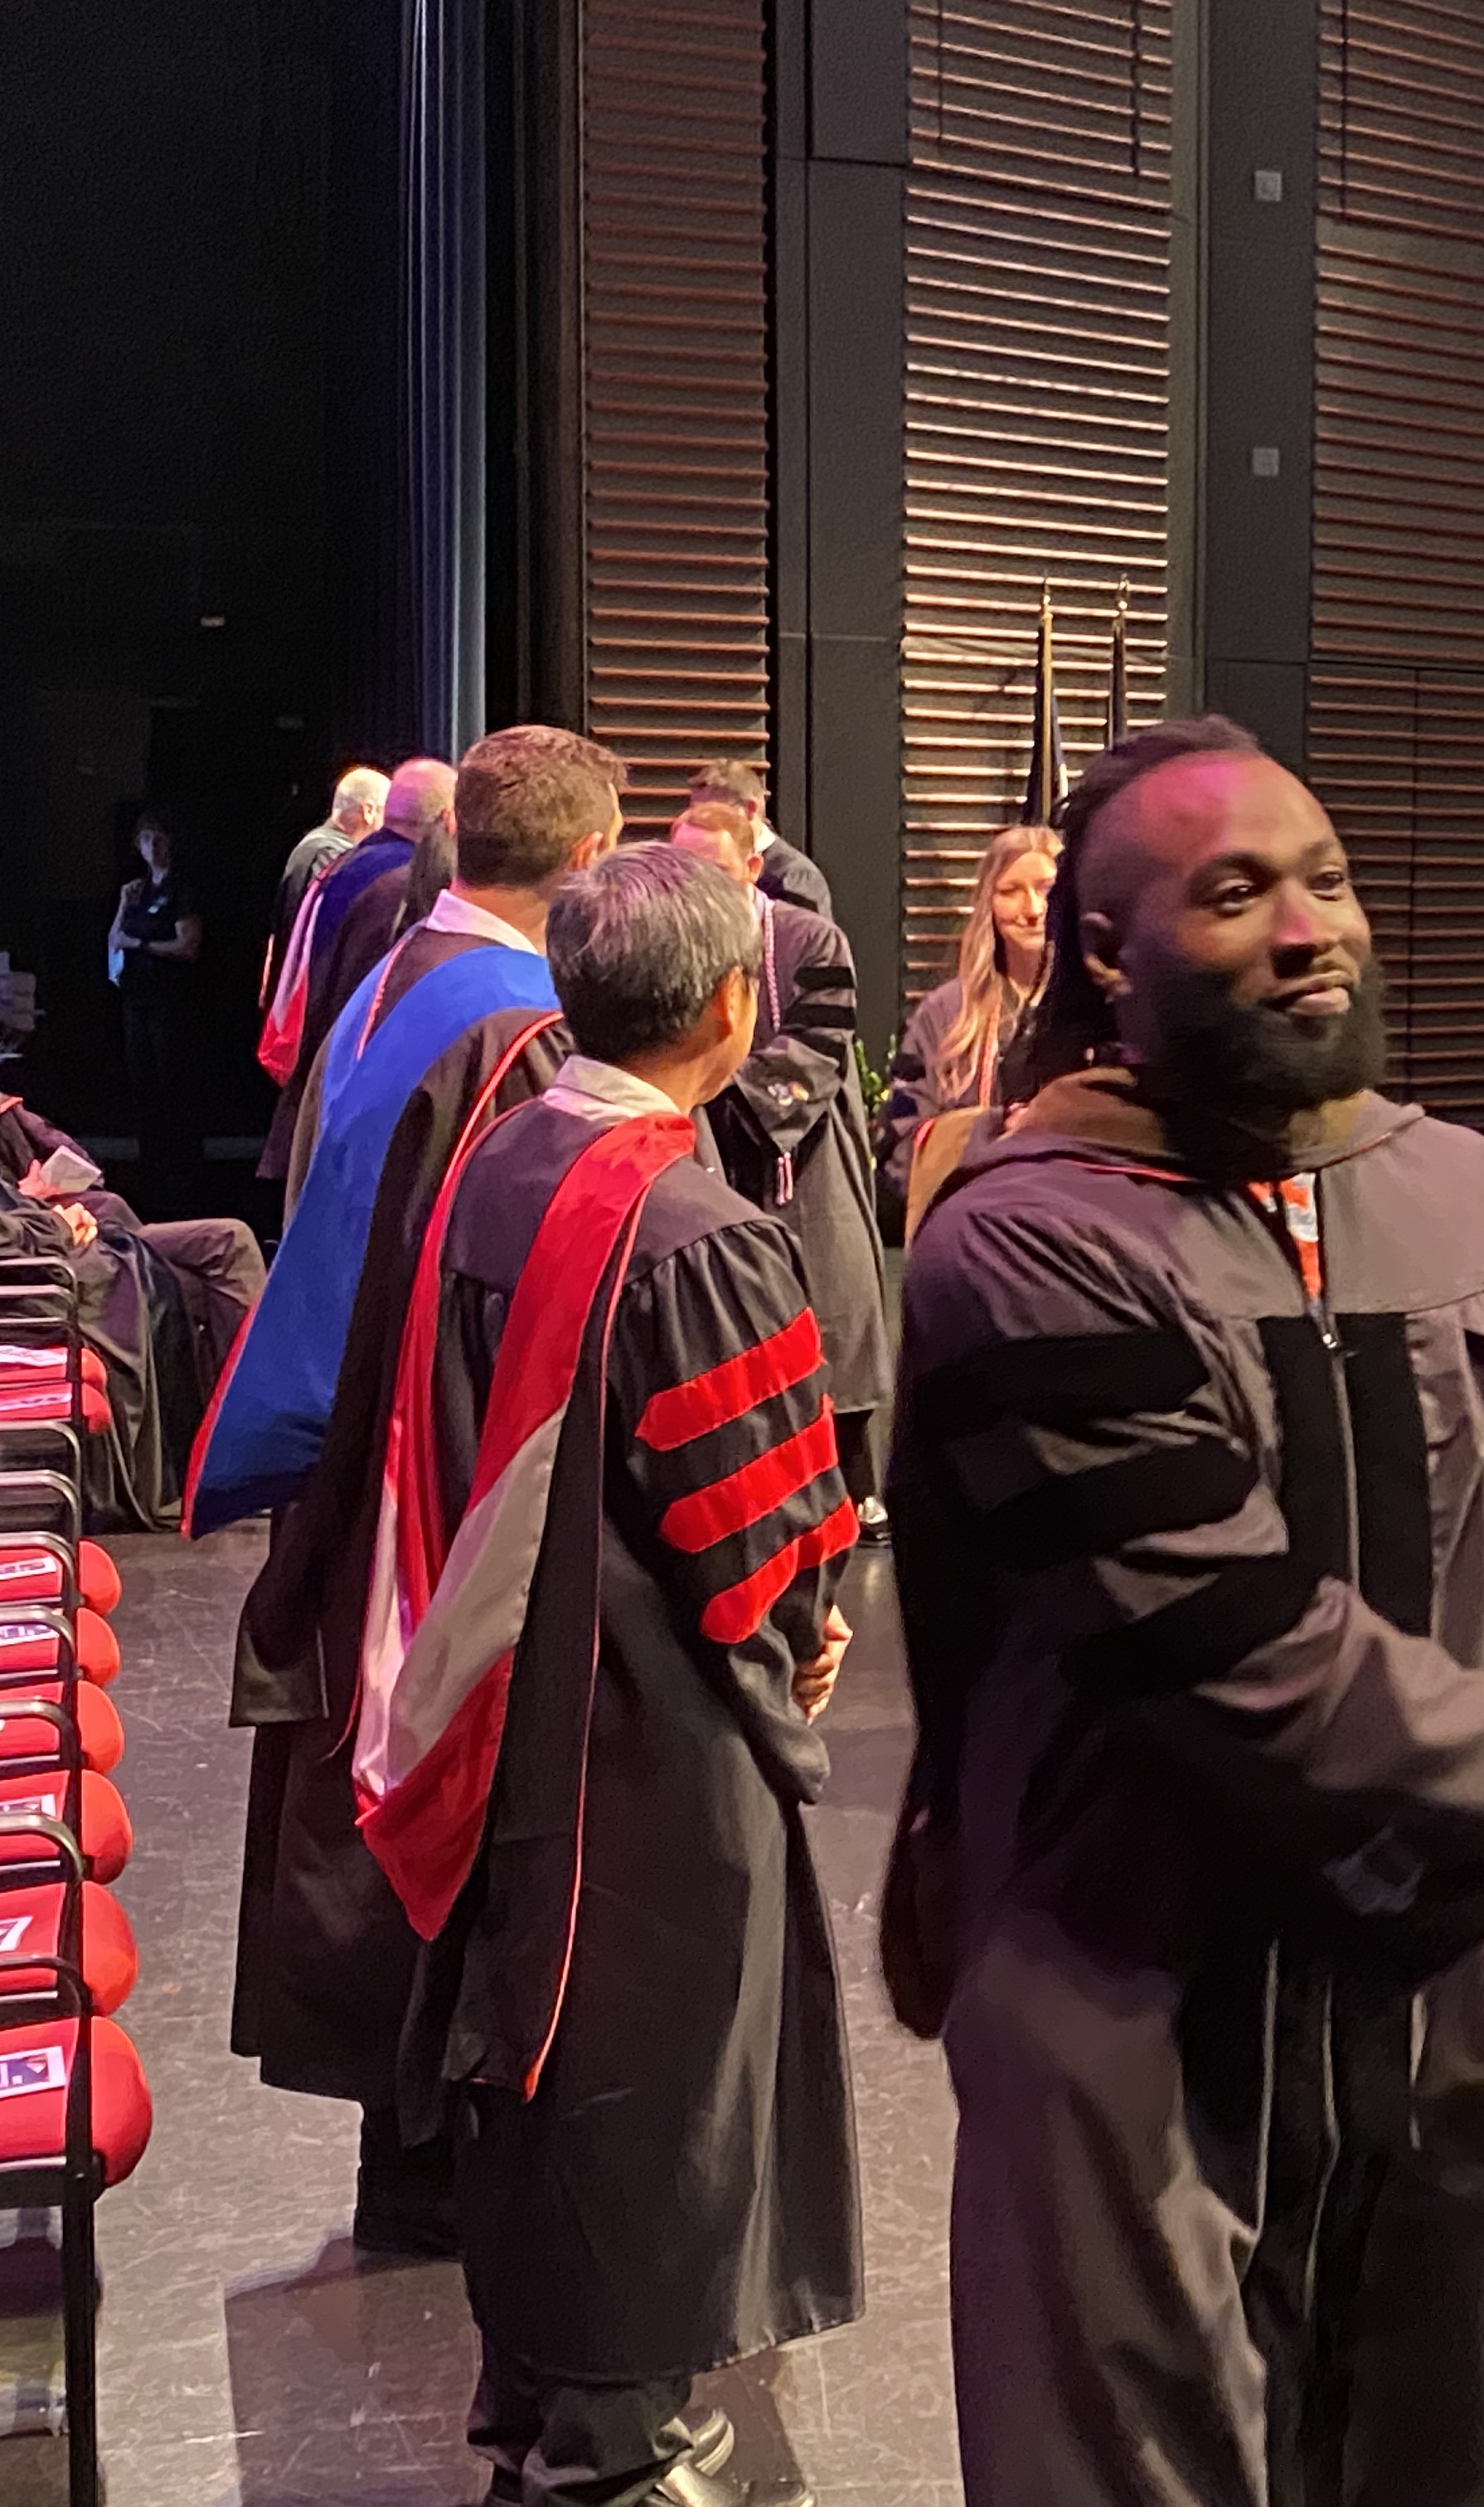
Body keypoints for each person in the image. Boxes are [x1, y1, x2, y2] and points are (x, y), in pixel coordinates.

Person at [885, 715, 1484, 2506]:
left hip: (1445, 2003)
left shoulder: (1464, 1198)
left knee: (1459, 2463)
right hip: (1134, 2012)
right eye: (1236, 893)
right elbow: (1233, 1653)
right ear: (1104, 952)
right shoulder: (1025, 1240)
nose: (1307, 926)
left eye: (1326, 881)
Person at [366, 841, 856, 2507]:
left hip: (504, 1687)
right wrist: (808, 1619)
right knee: (645, 2067)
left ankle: (539, 2396)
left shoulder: (507, 1160)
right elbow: (754, 1530)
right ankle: (620, 2444)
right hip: (639, 1737)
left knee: (538, 2050)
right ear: (733, 1003)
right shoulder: (690, 1220)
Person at [197, 725, 618, 2257]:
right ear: (584, 867)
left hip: (352, 1450)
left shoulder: (399, 970)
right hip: (426, 1468)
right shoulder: (517, 1025)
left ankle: (411, 2145)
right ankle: (439, 2154)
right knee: (436, 1765)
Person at [667, 803, 895, 1536]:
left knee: (830, 1313)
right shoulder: (675, 948)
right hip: (706, 1161)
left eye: (716, 869)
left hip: (801, 1161)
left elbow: (818, 1045)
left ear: (753, 868)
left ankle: (852, 1492)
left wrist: (721, 1090)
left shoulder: (806, 939)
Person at [0, 1093, 264, 1527]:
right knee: (183, 1282)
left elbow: (75, 1163)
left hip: (90, 1230)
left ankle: (245, 1447)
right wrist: (42, 1213)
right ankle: (236, 1458)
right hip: (50, 1260)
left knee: (225, 1246)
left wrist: (45, 1193)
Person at [264, 757, 460, 1208]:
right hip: (359, 1085)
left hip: (320, 1063)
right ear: (447, 819)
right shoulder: (400, 885)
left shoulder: (347, 865)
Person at [880, 822, 1058, 1230]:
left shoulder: (1099, 1012)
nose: (1031, 908)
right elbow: (900, 1146)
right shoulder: (945, 1015)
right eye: (1010, 891)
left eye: (1046, 889)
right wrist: (990, 1132)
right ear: (987, 904)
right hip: (966, 1228)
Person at [110, 815, 204, 1207]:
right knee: (143, 1085)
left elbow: (188, 946)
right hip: (137, 1000)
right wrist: (123, 906)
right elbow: (116, 939)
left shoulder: (182, 888)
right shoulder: (138, 889)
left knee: (172, 1085)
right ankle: (151, 1168)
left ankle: (182, 1172)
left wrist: (143, 946)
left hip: (170, 1001)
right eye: (146, 839)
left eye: (159, 837)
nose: (154, 846)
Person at [268, 765, 390, 1005]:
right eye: (388, 813)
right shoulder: (332, 856)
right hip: (312, 1000)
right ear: (368, 811)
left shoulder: (314, 847)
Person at [690, 758, 838, 919]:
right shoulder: (697, 864)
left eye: (716, 813)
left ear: (750, 808)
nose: (703, 823)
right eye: (696, 814)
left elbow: (806, 940)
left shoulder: (796, 877)